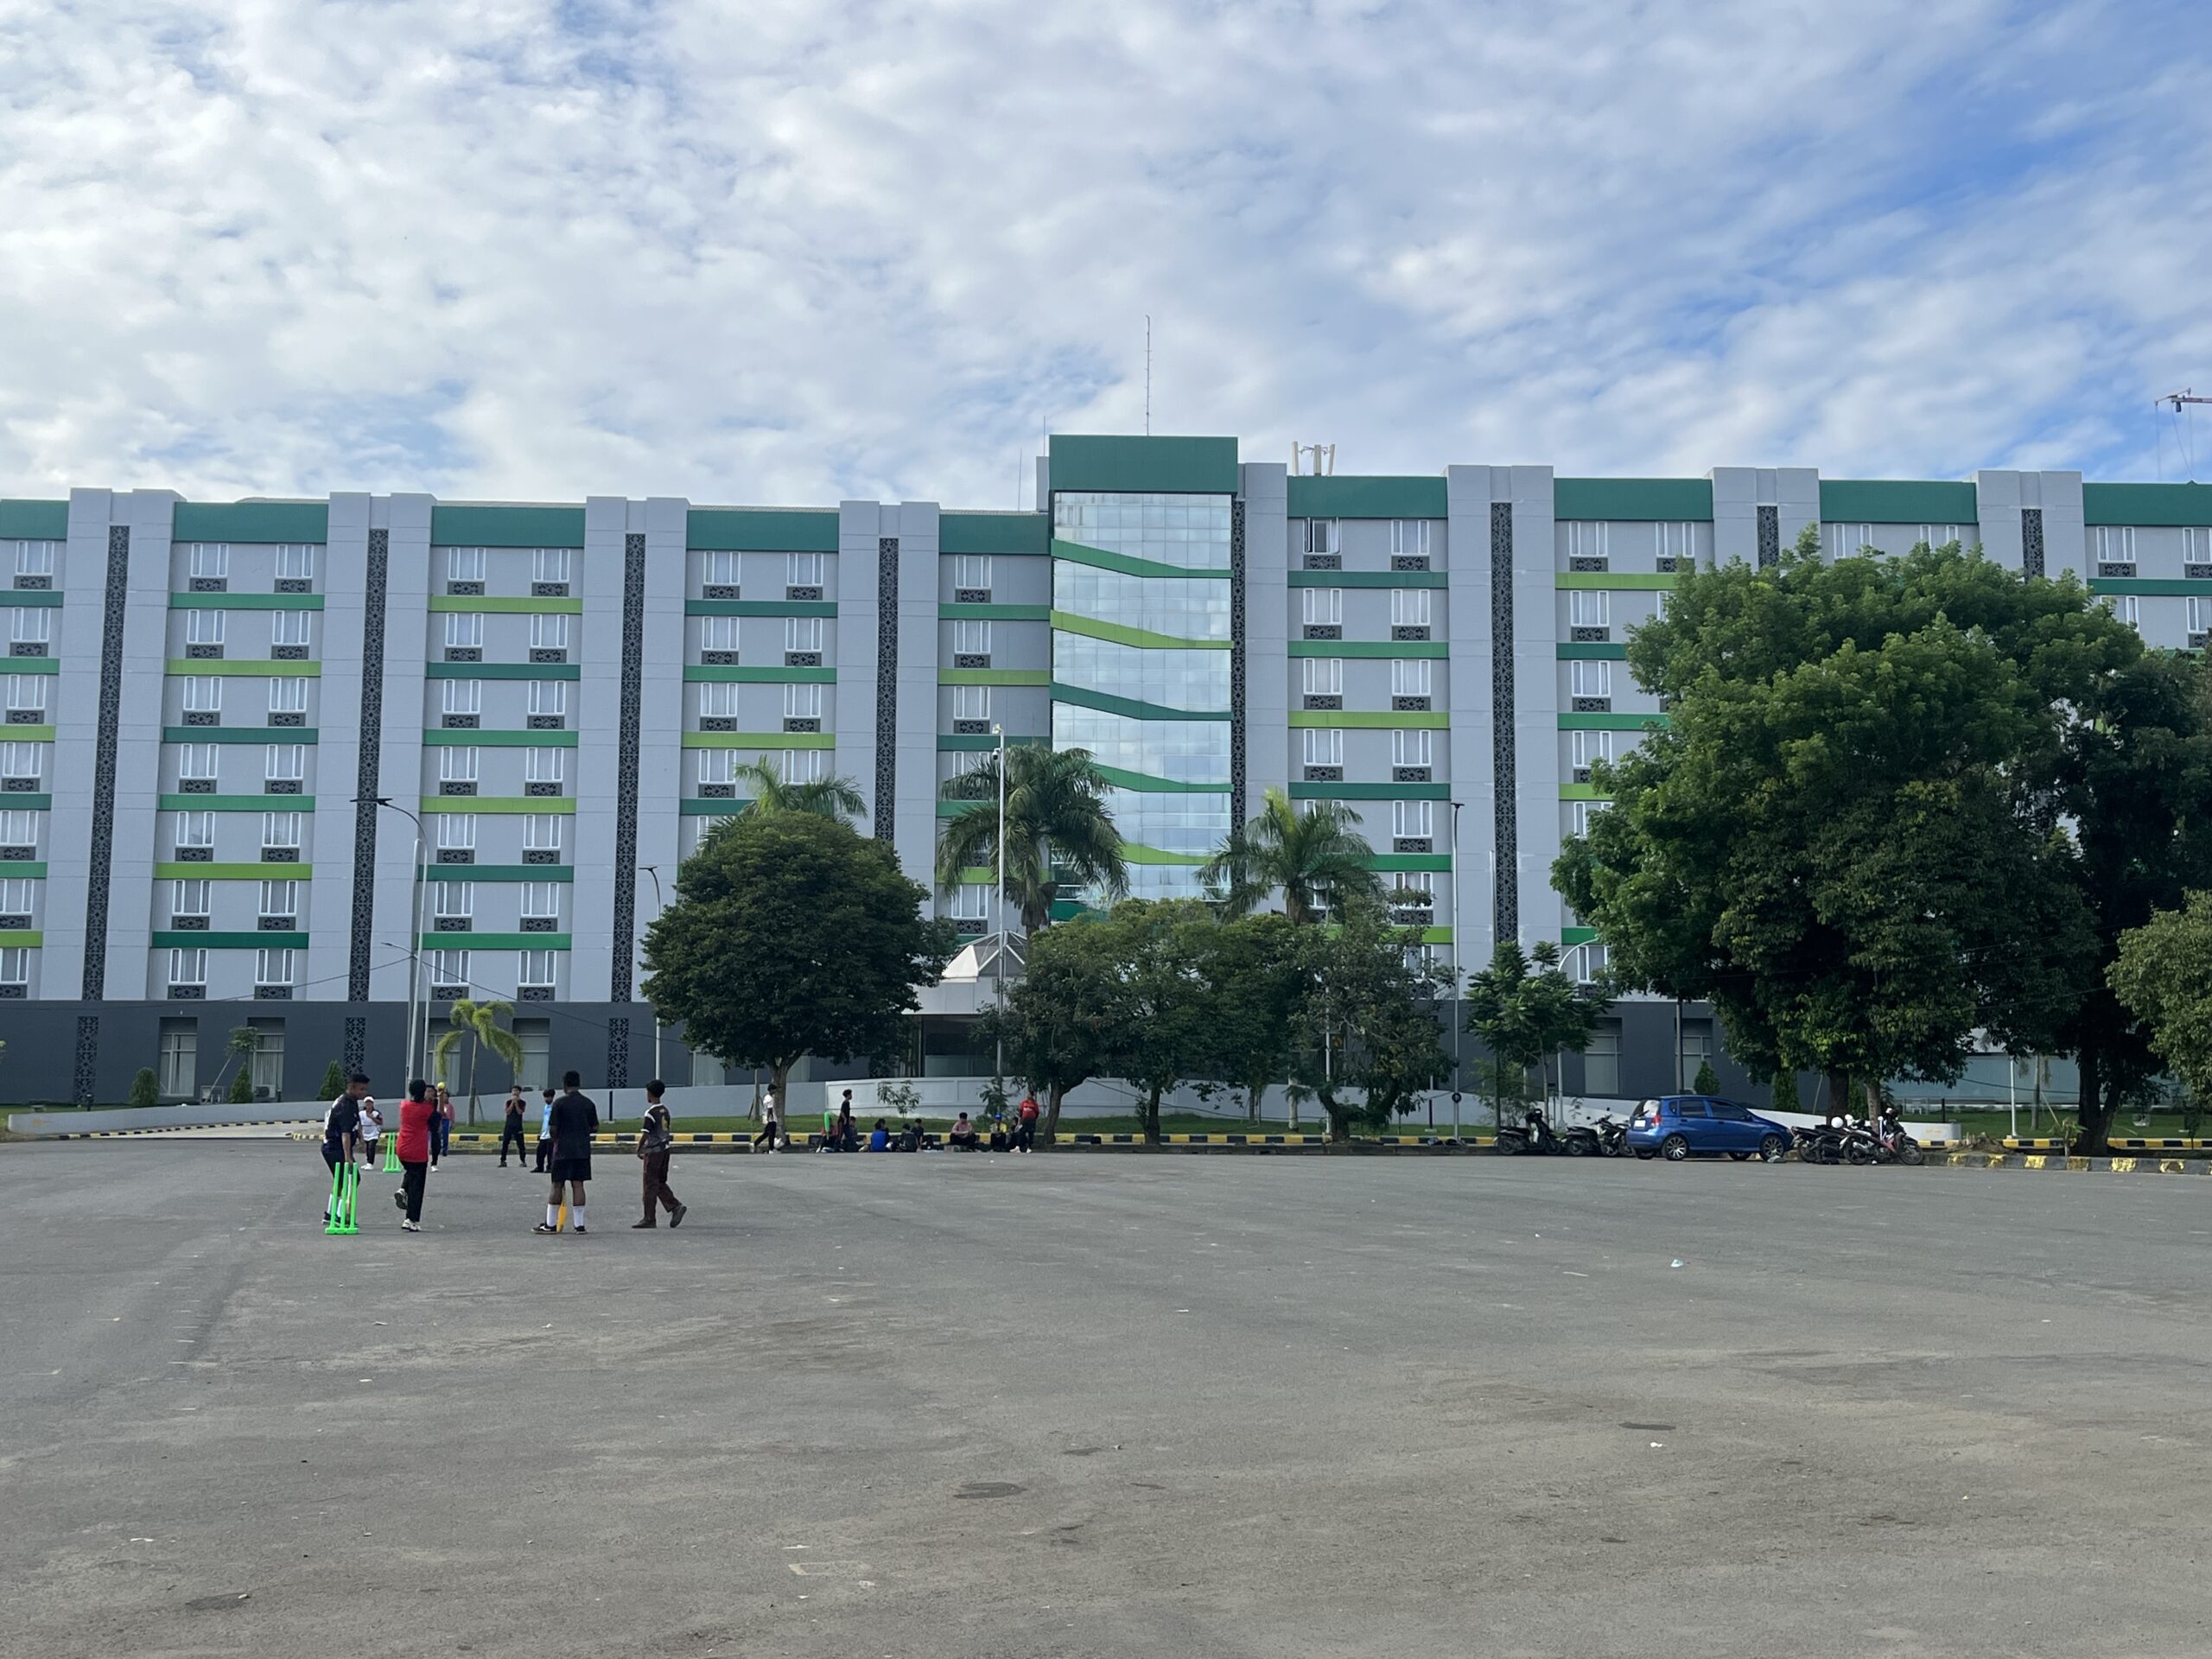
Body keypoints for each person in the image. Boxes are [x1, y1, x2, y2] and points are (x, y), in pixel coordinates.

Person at [536, 1070, 599, 1235]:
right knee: (578, 1184)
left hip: (563, 1150)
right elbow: (595, 1127)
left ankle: (550, 1224)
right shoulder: (588, 1103)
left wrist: (557, 1138)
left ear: (564, 1085)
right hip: (582, 1150)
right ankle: (579, 1225)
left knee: (557, 1184)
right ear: (579, 1084)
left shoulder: (559, 1103)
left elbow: (553, 1128)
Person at [632, 1082, 688, 1229]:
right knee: (659, 1182)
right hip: (665, 1150)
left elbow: (646, 1133)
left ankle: (649, 1218)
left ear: (650, 1094)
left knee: (650, 1184)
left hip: (653, 1152)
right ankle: (675, 1206)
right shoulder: (665, 1111)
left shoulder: (650, 1113)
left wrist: (639, 1148)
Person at [321, 1072, 368, 1223]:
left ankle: (330, 1214)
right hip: (334, 1147)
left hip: (335, 1147)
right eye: (361, 1089)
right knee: (351, 1180)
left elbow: (357, 1123)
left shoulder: (351, 1101)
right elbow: (345, 1134)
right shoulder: (345, 1105)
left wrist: (361, 1138)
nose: (364, 1092)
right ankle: (340, 1215)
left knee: (341, 1181)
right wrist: (348, 1157)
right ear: (352, 1087)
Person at [390, 1078, 435, 1231]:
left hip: (402, 1147)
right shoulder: (426, 1109)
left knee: (411, 1172)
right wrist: (436, 1102)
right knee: (417, 1187)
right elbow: (436, 1123)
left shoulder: (404, 1106)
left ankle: (403, 1189)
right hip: (417, 1151)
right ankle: (411, 1219)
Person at [499, 1086, 529, 1167]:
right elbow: (508, 1112)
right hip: (509, 1125)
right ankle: (503, 1160)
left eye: (516, 1090)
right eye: (513, 1091)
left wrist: (516, 1104)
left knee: (521, 1144)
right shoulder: (508, 1102)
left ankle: (523, 1160)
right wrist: (512, 1103)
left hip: (518, 1126)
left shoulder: (522, 1102)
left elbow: (520, 1112)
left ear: (519, 1092)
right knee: (505, 1143)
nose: (515, 1092)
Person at [429, 1084, 454, 1170]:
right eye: (427, 1091)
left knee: (436, 1145)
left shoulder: (437, 1101)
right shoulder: (423, 1103)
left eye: (431, 1091)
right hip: (425, 1125)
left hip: (435, 1125)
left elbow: (441, 1113)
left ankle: (434, 1163)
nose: (429, 1093)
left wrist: (440, 1098)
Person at [753, 1088, 782, 1154]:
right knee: (772, 1134)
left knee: (766, 1134)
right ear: (771, 1090)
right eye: (774, 1089)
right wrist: (770, 1118)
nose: (775, 1091)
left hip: (765, 1117)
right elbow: (770, 1109)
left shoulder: (766, 1097)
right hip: (771, 1119)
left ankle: (755, 1143)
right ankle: (771, 1149)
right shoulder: (770, 1099)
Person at [534, 1086, 556, 1173]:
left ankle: (550, 1167)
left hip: (551, 1134)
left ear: (552, 1097)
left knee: (550, 1152)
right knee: (540, 1151)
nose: (546, 1099)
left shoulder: (554, 1107)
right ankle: (540, 1167)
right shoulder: (546, 1107)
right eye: (545, 1097)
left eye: (548, 1097)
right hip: (544, 1133)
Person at [358, 1095, 385, 1165]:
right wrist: (360, 1134)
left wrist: (373, 1118)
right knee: (366, 1148)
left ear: (372, 1104)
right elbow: (360, 1124)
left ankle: (370, 1163)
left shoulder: (376, 1113)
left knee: (371, 1147)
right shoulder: (361, 1113)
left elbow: (380, 1122)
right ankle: (368, 1161)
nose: (368, 1104)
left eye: (370, 1102)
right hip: (365, 1132)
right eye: (367, 1103)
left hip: (374, 1133)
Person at [1015, 1090, 1039, 1154]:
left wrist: (1033, 1118)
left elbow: (1037, 1112)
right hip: (1024, 1120)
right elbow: (1021, 1111)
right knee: (1021, 1133)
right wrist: (1021, 1119)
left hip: (1031, 1121)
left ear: (1032, 1095)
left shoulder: (1034, 1104)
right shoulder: (1024, 1103)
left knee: (1031, 1134)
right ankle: (1018, 1147)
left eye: (1029, 1094)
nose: (1027, 1095)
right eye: (1027, 1094)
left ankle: (1029, 1148)